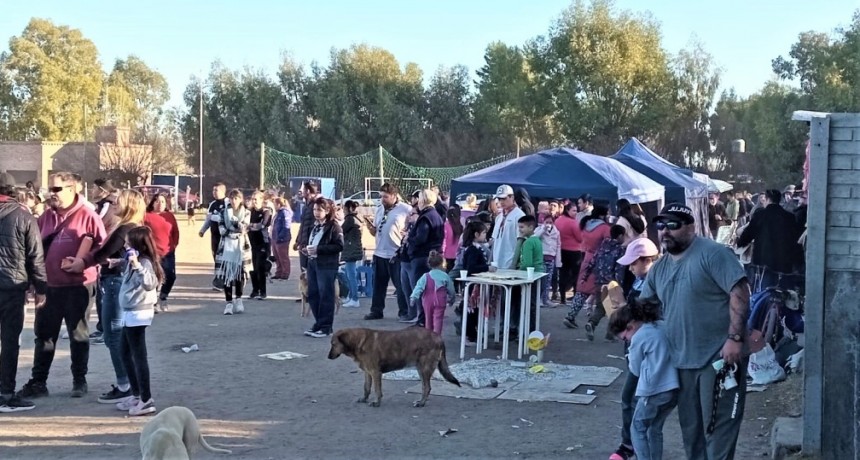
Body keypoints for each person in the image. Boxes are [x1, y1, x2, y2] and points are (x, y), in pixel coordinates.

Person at [638, 203, 750, 460]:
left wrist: (734, 338)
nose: (665, 231)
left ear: (691, 226)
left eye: (673, 225)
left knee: (719, 428)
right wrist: (621, 315)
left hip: (720, 357)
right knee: (692, 431)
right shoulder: (660, 267)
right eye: (661, 225)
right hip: (681, 362)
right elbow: (645, 309)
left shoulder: (713, 253)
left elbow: (740, 292)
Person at [18, 172, 106, 400]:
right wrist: (33, 282)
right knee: (44, 336)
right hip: (49, 286)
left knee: (79, 334)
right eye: (50, 189)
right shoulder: (45, 217)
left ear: (72, 189)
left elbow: (104, 249)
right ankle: (39, 382)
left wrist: (83, 262)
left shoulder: (89, 215)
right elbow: (32, 251)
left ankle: (79, 380)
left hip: (78, 286)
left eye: (56, 189)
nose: (51, 194)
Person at [62, 189, 146, 405]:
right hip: (116, 281)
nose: (114, 203)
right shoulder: (130, 227)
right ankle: (129, 385)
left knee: (113, 335)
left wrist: (81, 262)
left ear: (129, 205)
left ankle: (125, 385)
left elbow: (102, 253)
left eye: (119, 201)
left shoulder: (126, 229)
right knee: (116, 335)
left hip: (116, 284)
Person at [606, 237, 661, 460]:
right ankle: (631, 444)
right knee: (631, 399)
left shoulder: (654, 284)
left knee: (635, 400)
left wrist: (624, 308)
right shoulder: (641, 281)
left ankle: (633, 447)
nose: (630, 267)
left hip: (647, 353)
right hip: (636, 349)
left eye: (634, 263)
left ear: (646, 260)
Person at [608, 300, 679, 460]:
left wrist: (630, 351)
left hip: (653, 390)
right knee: (655, 428)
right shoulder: (662, 325)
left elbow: (635, 368)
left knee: (637, 428)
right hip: (674, 386)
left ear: (629, 327)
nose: (626, 341)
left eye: (624, 338)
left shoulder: (639, 337)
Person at [0, 172, 47, 412]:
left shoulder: (23, 216)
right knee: (9, 342)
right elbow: (35, 256)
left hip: (12, 284)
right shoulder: (23, 216)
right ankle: (6, 393)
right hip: (12, 287)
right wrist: (41, 288)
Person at [115, 226, 164, 416]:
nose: (125, 245)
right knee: (124, 353)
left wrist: (136, 265)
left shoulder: (144, 262)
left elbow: (150, 283)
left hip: (139, 313)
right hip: (129, 313)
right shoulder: (132, 261)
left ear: (137, 245)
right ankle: (136, 394)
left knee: (138, 356)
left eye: (128, 242)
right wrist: (119, 262)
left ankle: (146, 399)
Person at [736, 189, 802, 291]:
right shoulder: (789, 217)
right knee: (784, 291)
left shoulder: (760, 215)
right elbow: (795, 238)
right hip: (784, 260)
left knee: (764, 290)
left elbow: (748, 234)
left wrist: (739, 243)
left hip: (764, 259)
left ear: (766, 199)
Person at [364, 183, 411, 321]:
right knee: (378, 285)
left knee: (400, 285)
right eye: (381, 196)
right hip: (379, 252)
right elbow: (376, 230)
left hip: (395, 253)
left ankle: (404, 311)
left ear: (394, 196)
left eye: (385, 197)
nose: (382, 199)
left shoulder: (405, 209)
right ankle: (376, 310)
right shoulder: (379, 209)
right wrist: (371, 229)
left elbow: (411, 227)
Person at [564, 201, 611, 329]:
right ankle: (606, 324)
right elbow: (609, 245)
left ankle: (571, 315)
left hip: (586, 258)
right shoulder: (605, 228)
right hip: (600, 261)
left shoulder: (586, 225)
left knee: (582, 290)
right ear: (603, 215)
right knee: (604, 290)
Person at [303, 198, 344, 338]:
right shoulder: (314, 226)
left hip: (326, 265)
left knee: (325, 295)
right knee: (313, 294)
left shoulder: (334, 226)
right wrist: (307, 250)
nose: (316, 212)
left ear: (327, 211)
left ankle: (326, 326)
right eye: (315, 209)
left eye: (319, 210)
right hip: (312, 263)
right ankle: (319, 323)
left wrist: (319, 249)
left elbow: (339, 246)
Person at [402, 189, 445, 325]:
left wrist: (409, 238)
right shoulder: (435, 215)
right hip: (431, 255)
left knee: (421, 289)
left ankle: (422, 320)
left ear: (423, 200)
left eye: (419, 199)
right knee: (428, 289)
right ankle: (425, 319)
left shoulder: (427, 217)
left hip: (422, 257)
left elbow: (421, 237)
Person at [581, 224, 627, 341]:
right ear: (620, 235)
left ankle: (592, 323)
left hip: (599, 281)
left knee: (601, 307)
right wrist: (619, 284)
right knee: (614, 308)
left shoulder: (602, 246)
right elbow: (619, 268)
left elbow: (592, 262)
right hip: (611, 282)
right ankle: (610, 333)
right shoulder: (620, 250)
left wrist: (585, 277)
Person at [215, 189, 252, 315]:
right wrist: (235, 228)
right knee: (227, 275)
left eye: (236, 198)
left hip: (241, 246)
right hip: (226, 246)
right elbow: (221, 230)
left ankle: (239, 299)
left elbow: (244, 228)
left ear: (241, 199)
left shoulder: (246, 212)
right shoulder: (223, 212)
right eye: (232, 198)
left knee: (239, 274)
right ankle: (228, 303)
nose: (234, 201)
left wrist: (235, 227)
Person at [144, 193, 179, 311]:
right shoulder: (146, 216)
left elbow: (175, 232)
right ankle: (153, 303)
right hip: (152, 252)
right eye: (157, 201)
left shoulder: (169, 216)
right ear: (152, 203)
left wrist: (173, 245)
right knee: (155, 277)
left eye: (163, 201)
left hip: (168, 251)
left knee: (170, 276)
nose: (160, 204)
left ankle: (163, 296)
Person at [409, 250, 455, 335]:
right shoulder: (445, 276)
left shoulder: (425, 276)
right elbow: (451, 289)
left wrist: (413, 297)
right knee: (438, 319)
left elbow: (418, 287)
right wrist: (452, 299)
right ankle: (437, 338)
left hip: (427, 301)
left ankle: (428, 338)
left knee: (428, 319)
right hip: (440, 301)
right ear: (442, 264)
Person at [461, 220, 490, 343]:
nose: (485, 236)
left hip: (475, 285)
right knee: (472, 311)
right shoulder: (473, 250)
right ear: (476, 234)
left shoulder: (475, 248)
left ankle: (472, 333)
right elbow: (471, 268)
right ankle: (470, 335)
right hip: (472, 286)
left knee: (474, 311)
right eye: (484, 233)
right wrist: (487, 268)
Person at [199, 183, 227, 291]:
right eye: (213, 190)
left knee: (224, 258)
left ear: (222, 191)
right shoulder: (212, 204)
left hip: (225, 236)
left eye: (216, 190)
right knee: (216, 257)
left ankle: (224, 280)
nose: (214, 192)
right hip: (215, 236)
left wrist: (220, 218)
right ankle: (219, 278)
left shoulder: (227, 203)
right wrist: (202, 230)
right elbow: (209, 220)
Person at [555, 202, 583, 305]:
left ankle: (562, 297)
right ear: (568, 210)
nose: (576, 213)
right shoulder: (573, 223)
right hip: (574, 251)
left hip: (562, 250)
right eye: (574, 211)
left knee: (563, 273)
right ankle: (575, 297)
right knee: (576, 275)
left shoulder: (558, 220)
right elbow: (580, 238)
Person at [248, 191, 273, 300]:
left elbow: (262, 225)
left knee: (260, 267)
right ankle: (255, 290)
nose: (254, 201)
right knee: (253, 267)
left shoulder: (266, 211)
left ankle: (263, 292)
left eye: (256, 199)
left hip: (263, 243)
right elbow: (245, 224)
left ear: (262, 200)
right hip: (252, 243)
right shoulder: (250, 212)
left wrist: (251, 225)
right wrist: (250, 226)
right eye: (253, 199)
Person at [534, 214, 561, 308]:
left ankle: (545, 299)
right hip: (541, 258)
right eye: (547, 222)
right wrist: (543, 229)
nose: (549, 224)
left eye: (551, 222)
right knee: (541, 280)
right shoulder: (539, 229)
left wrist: (558, 261)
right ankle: (539, 299)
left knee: (548, 281)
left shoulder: (556, 232)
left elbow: (558, 246)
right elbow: (535, 237)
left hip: (551, 258)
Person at [341, 200, 364, 308]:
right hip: (353, 249)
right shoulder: (357, 218)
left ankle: (354, 298)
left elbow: (341, 230)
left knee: (351, 275)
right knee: (349, 274)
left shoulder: (350, 219)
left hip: (351, 250)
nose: (343, 211)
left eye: (344, 209)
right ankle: (351, 296)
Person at [294, 182, 319, 272]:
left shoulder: (315, 206)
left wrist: (309, 242)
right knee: (304, 271)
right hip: (303, 243)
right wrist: (298, 240)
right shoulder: (305, 206)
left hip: (311, 244)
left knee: (310, 271)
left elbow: (314, 226)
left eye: (303, 189)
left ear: (308, 191)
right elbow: (303, 225)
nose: (301, 191)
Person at [271, 197, 293, 280]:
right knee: (277, 256)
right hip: (275, 238)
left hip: (282, 239)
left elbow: (286, 226)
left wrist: (281, 237)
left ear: (279, 204)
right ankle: (279, 272)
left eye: (275, 204)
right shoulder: (278, 213)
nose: (274, 206)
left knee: (283, 257)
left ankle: (285, 273)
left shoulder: (285, 212)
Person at [443, 207, 463, 271]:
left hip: (447, 256)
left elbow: (444, 241)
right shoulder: (460, 226)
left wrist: (441, 254)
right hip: (457, 255)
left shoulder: (446, 225)